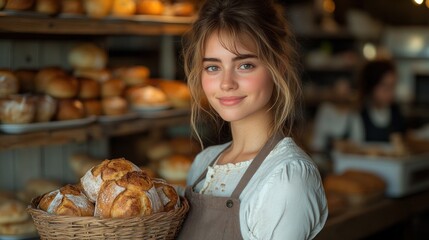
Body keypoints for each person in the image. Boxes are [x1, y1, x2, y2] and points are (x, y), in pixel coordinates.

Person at [178, 0, 328, 239]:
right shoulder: (203, 164)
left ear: (278, 65)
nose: (226, 83)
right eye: (213, 68)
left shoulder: (286, 178)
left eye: (245, 65)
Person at [353, 59, 406, 143]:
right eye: (385, 87)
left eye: (392, 87)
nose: (390, 93)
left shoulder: (395, 112)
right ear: (371, 86)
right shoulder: (360, 114)